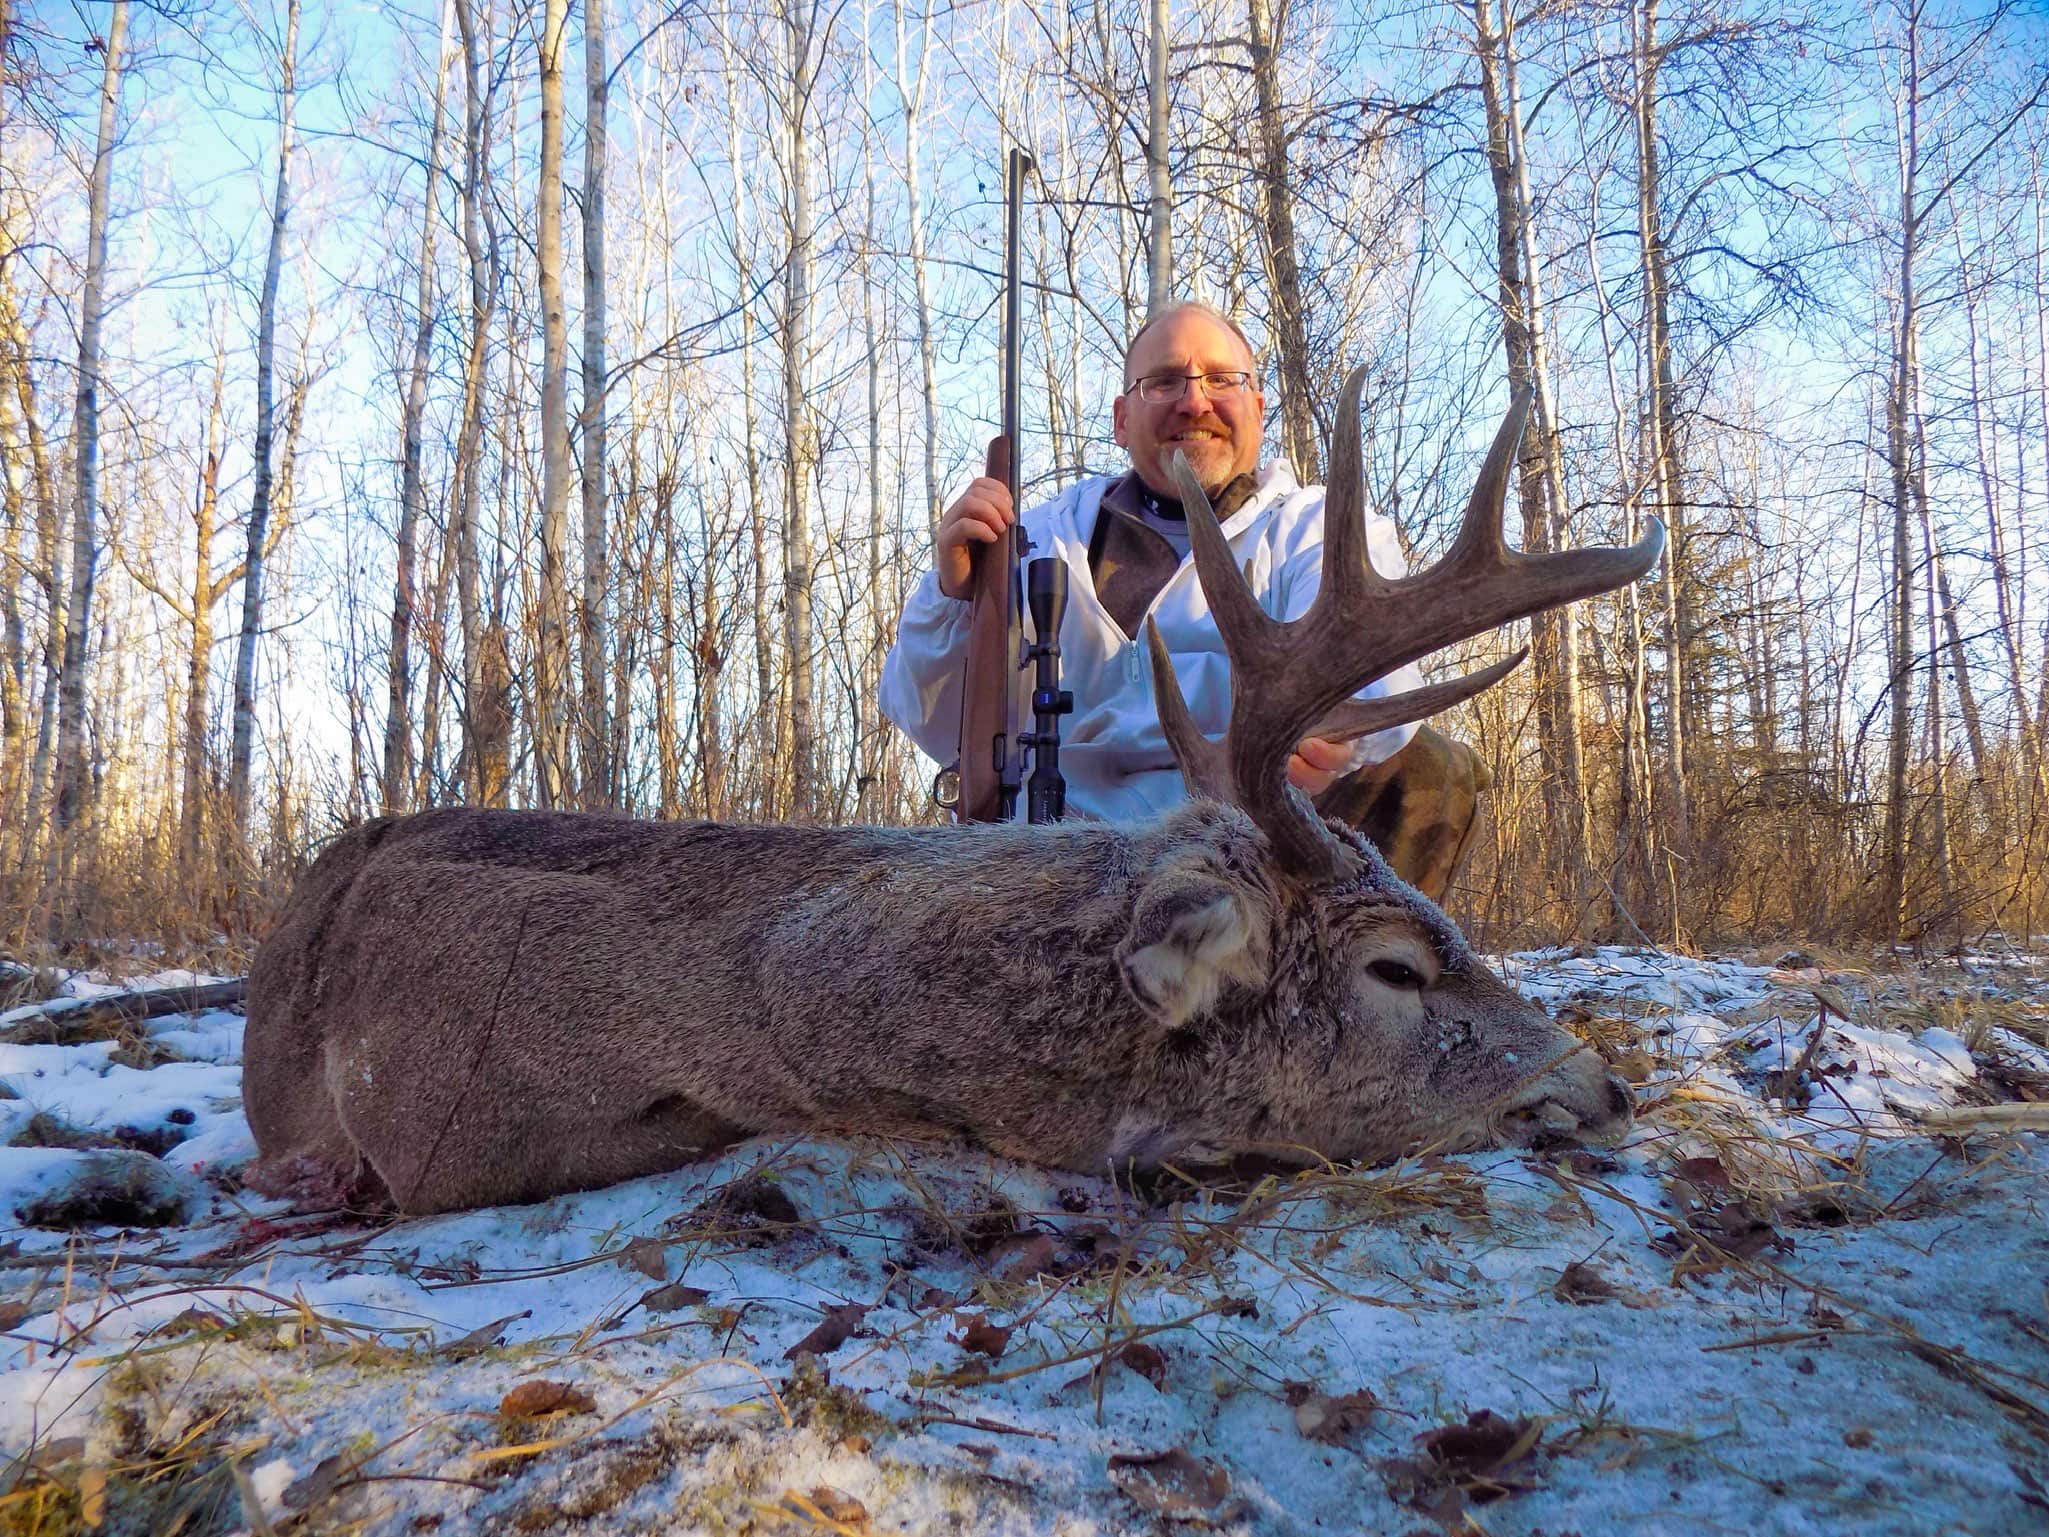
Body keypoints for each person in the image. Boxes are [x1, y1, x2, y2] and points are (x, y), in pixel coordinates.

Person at [879, 301, 1487, 898]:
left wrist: (1337, 725)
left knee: (1424, 768)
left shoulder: (1316, 530)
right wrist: (954, 597)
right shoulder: (1036, 538)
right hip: (1065, 862)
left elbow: (1381, 678)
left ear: (1257, 406)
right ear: (1120, 419)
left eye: (1223, 379)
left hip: (1253, 854)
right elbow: (930, 720)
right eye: (1163, 381)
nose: (1195, 401)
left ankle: (1344, 989)